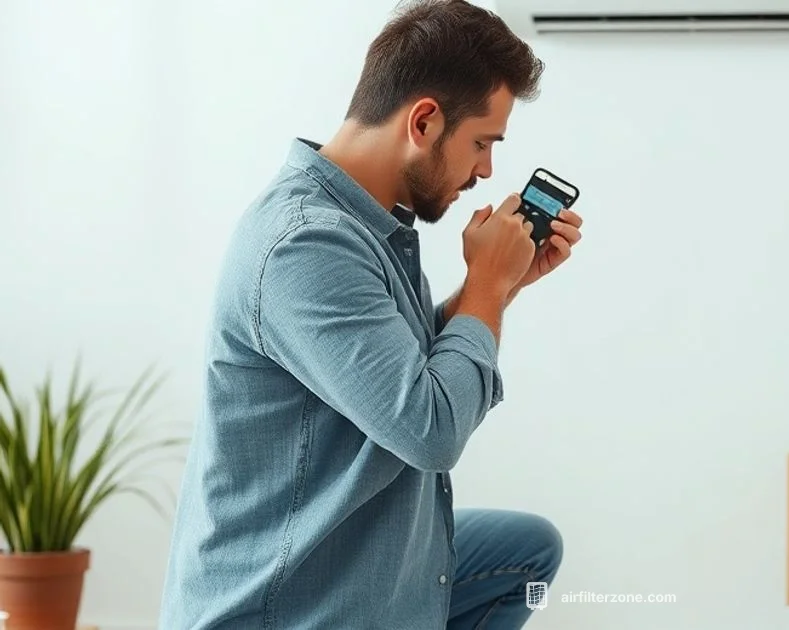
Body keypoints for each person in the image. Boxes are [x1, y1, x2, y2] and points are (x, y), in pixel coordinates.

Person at [158, 1, 582, 627]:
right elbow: (429, 430)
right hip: (281, 608)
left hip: (340, 561)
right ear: (425, 121)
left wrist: (498, 287)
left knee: (526, 552)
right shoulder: (306, 244)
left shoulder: (364, 226)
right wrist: (485, 291)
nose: (487, 169)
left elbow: (398, 374)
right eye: (482, 142)